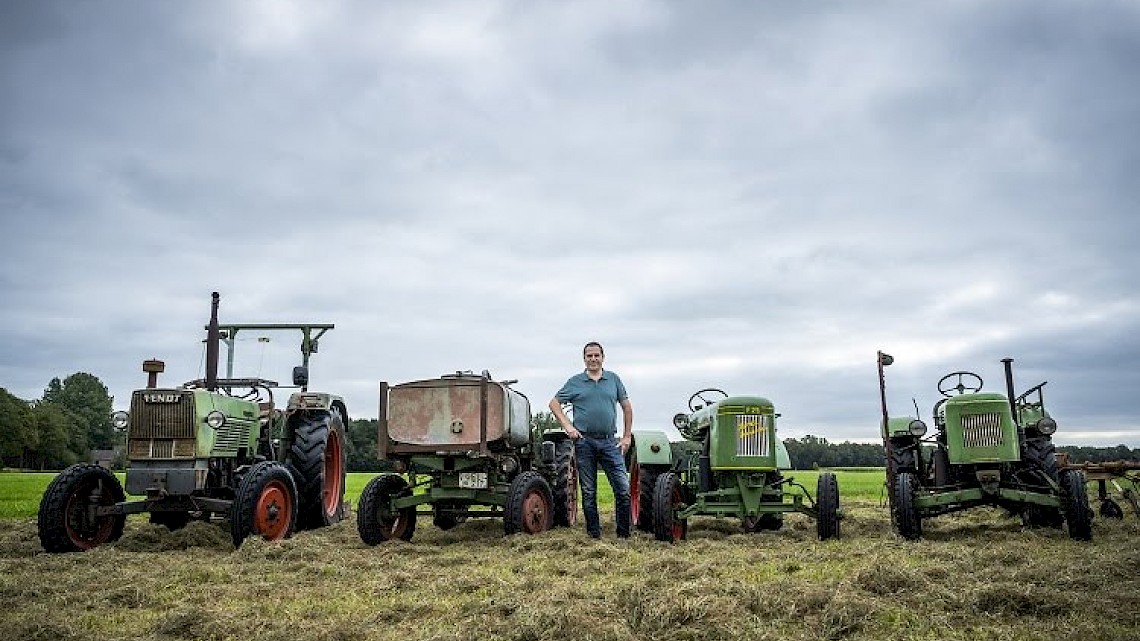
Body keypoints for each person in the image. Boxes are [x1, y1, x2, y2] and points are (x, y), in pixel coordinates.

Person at [549, 341, 633, 539]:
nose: (593, 359)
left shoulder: (614, 380)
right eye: (589, 356)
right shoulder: (575, 382)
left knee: (623, 489)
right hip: (584, 442)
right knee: (588, 492)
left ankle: (623, 534)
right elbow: (554, 403)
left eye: (597, 355)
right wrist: (568, 427)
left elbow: (626, 407)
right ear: (584, 359)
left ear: (603, 357)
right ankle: (594, 535)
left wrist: (627, 436)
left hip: (609, 442)